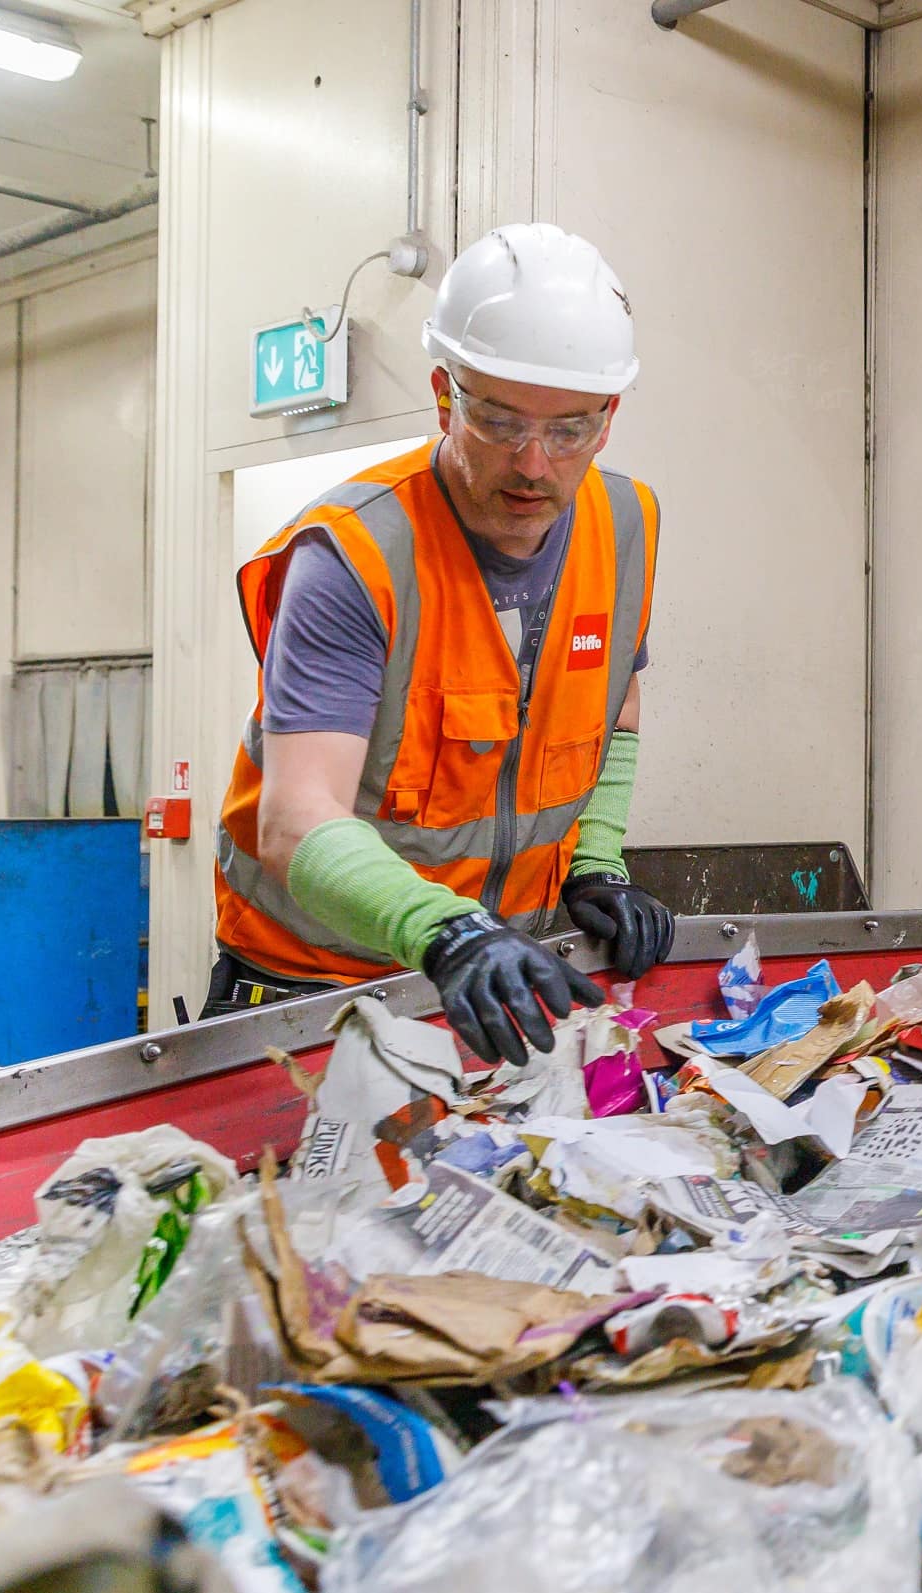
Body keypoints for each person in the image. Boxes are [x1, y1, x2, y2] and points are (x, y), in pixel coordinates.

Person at [210, 223, 675, 1066]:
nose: (534, 463)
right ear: (443, 392)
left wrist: (596, 865)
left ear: (608, 419)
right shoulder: (353, 557)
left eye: (570, 429)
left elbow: (618, 710)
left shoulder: (627, 524)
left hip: (490, 979)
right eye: (498, 421)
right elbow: (293, 819)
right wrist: (449, 932)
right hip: (314, 992)